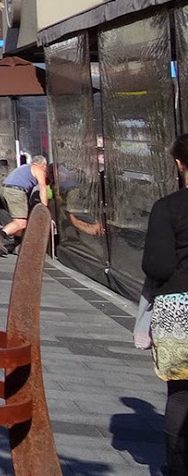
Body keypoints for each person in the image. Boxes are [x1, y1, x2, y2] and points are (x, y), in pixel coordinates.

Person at [143, 134, 188, 475]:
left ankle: (177, 466)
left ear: (178, 163)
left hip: (178, 310)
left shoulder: (167, 207)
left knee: (180, 393)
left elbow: (157, 266)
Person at [0, 155, 50, 256]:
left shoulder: (24, 168)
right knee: (21, 222)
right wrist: (44, 208)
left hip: (4, 189)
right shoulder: (38, 169)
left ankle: (16, 245)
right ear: (43, 165)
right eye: (46, 167)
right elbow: (42, 187)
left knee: (17, 220)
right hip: (15, 192)